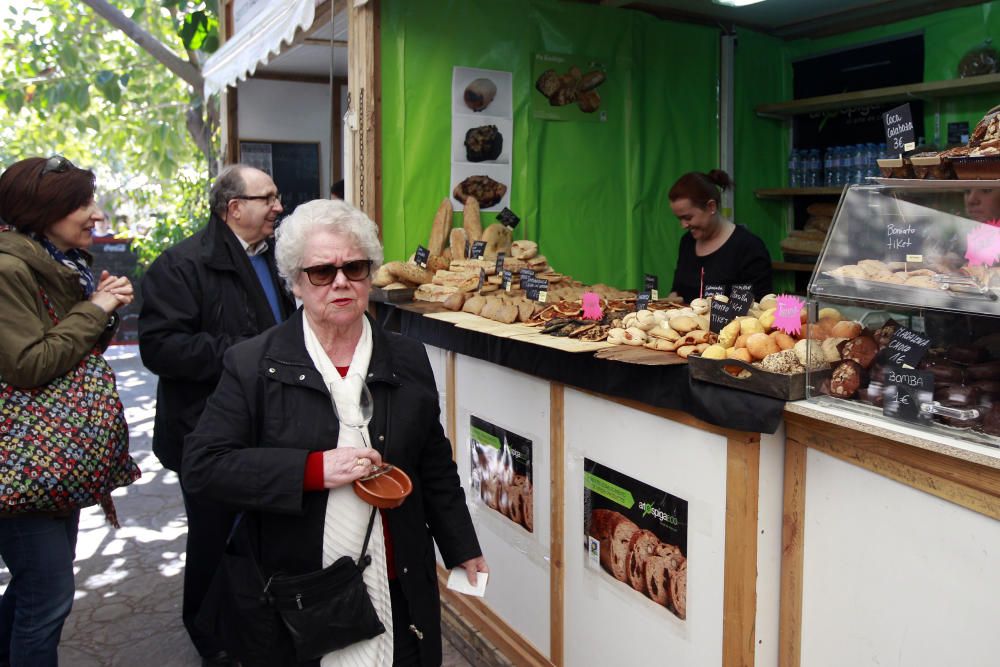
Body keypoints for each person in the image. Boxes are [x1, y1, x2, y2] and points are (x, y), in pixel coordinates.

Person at [182, 198, 487, 666]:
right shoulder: (253, 364)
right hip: (299, 598)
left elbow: (433, 465)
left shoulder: (406, 357)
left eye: (356, 268)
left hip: (398, 580)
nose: (341, 282)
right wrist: (310, 469)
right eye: (322, 272)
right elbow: (205, 467)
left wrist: (462, 547)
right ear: (296, 284)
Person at [137, 164, 295, 666]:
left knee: (257, 534)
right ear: (234, 209)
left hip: (263, 429)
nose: (278, 206)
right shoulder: (181, 265)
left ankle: (254, 624)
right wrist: (245, 351)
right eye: (267, 198)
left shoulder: (271, 259)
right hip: (204, 435)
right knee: (213, 538)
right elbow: (161, 348)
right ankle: (212, 638)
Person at [0, 155, 134, 665]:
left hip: (49, 457)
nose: (95, 214)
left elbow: (69, 348)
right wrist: (95, 309)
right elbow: (29, 364)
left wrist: (98, 308)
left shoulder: (54, 265)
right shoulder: (10, 267)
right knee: (48, 594)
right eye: (81, 203)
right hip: (21, 457)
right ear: (43, 210)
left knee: (35, 587)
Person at [667, 169, 773, 303]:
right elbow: (677, 290)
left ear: (711, 206)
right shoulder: (687, 242)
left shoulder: (749, 247)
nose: (683, 225)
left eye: (687, 217)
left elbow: (762, 305)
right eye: (679, 219)